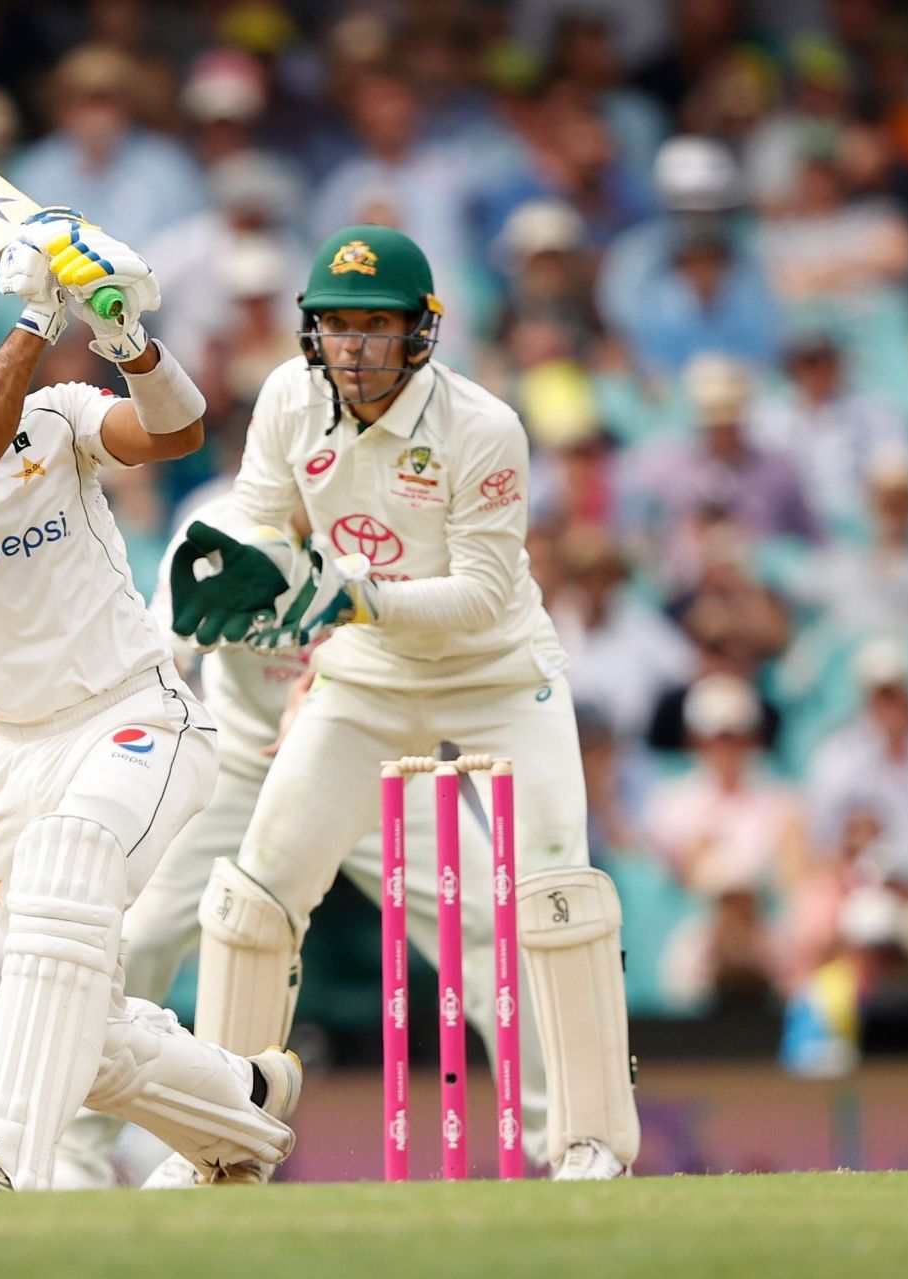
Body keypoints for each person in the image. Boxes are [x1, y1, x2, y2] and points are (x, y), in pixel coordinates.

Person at [159, 225, 639, 1181]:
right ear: (313, 333)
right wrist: (250, 570)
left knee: (554, 894)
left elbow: (482, 595)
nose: (356, 348)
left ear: (422, 332)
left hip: (500, 677)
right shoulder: (290, 400)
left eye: (377, 326)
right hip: (366, 675)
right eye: (339, 326)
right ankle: (221, 1143)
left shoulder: (483, 425)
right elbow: (260, 515)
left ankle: (588, 1141)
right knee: (256, 894)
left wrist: (346, 595)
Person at [0, 218, 298, 1191]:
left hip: (137, 716)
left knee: (69, 868)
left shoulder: (59, 417)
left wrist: (127, 337)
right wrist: (44, 316)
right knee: (73, 1019)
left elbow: (176, 429)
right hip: (17, 759)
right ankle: (243, 1106)